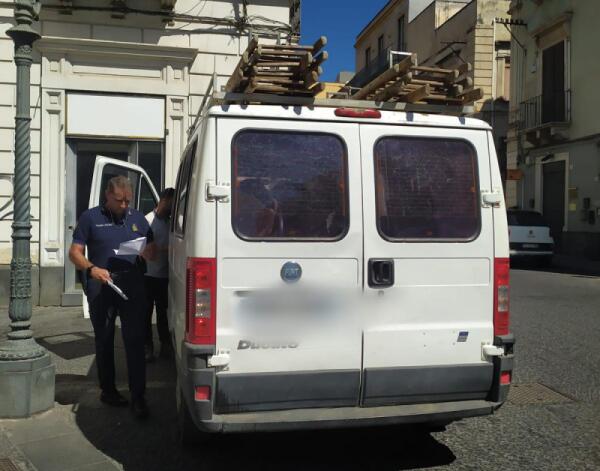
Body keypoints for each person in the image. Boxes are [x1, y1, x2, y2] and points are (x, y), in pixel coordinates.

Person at [68, 176, 156, 419]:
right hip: (101, 286)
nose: (124, 205)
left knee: (135, 341)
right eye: (119, 200)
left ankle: (139, 397)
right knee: (104, 340)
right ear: (107, 195)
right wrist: (91, 269)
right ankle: (108, 390)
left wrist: (148, 251)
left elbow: (153, 250)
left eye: (128, 200)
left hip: (132, 286)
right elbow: (74, 253)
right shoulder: (90, 217)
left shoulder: (138, 218)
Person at [144, 188, 175, 362]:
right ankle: (147, 347)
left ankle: (165, 345)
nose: (173, 207)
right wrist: (164, 249)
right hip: (148, 275)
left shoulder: (171, 222)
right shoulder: (147, 220)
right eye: (172, 202)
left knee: (163, 314)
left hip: (165, 275)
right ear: (164, 200)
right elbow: (143, 247)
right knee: (145, 313)